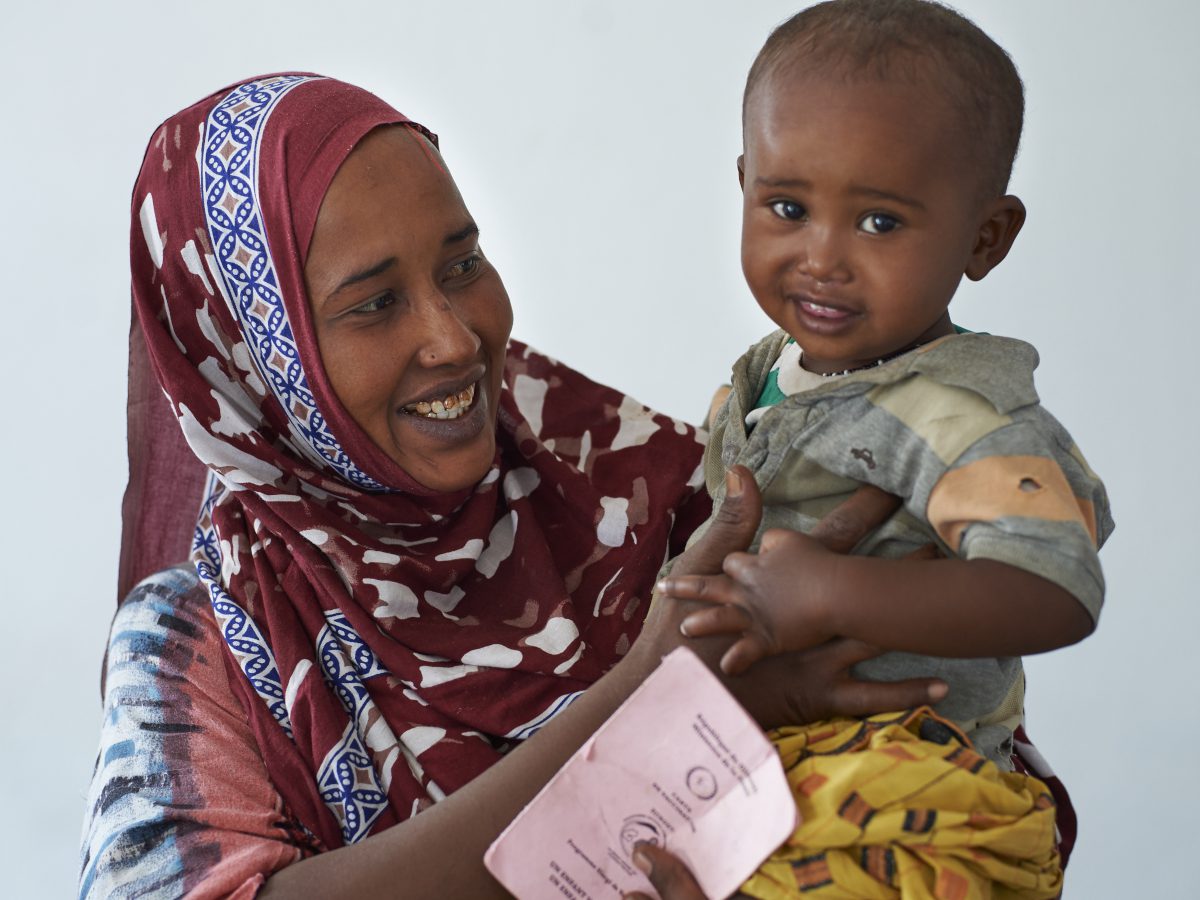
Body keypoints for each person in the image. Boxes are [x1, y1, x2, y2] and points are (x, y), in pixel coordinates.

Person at [80, 73, 951, 899]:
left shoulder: (659, 491)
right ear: (255, 360)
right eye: (375, 304)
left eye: (461, 266)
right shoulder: (205, 637)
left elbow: (959, 784)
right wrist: (649, 698)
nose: (455, 339)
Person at [657, 1, 1113, 896]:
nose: (822, 257)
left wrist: (832, 592)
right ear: (743, 181)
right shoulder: (760, 377)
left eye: (879, 223)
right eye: (787, 207)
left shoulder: (955, 411)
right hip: (764, 753)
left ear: (986, 238)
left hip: (909, 793)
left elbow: (1058, 587)